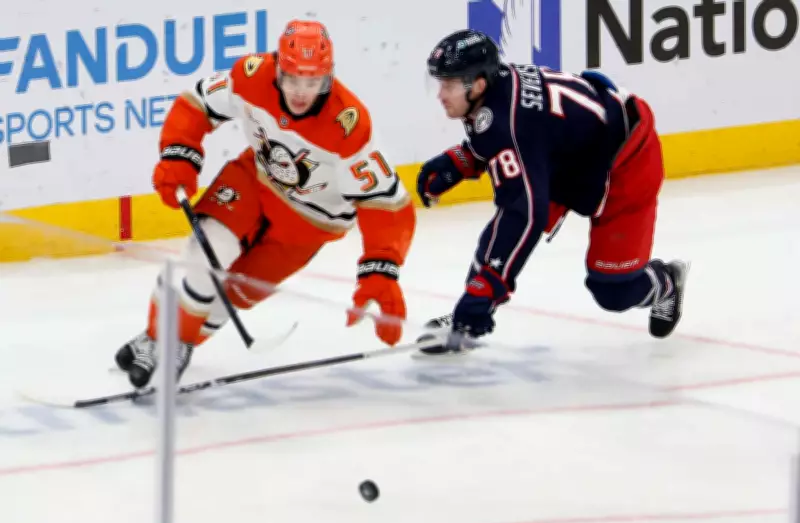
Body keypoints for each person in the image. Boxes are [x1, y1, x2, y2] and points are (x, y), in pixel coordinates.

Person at [116, 20, 416, 388]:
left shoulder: (348, 124)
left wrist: (382, 267)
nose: (301, 93)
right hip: (256, 182)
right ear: (277, 69)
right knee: (205, 253)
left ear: (329, 77)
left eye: (313, 82)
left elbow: (385, 202)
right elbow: (198, 102)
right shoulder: (251, 75)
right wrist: (180, 152)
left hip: (310, 223)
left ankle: (173, 339)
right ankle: (164, 340)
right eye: (293, 79)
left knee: (238, 293)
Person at [415, 29, 688, 352]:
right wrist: (464, 159)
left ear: (478, 84)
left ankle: (667, 281)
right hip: (571, 157)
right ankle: (467, 318)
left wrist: (486, 289)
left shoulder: (506, 120)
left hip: (625, 159)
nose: (440, 94)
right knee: (500, 235)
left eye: (448, 85)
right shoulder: (494, 94)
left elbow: (523, 213)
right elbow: (522, 135)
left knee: (614, 291)